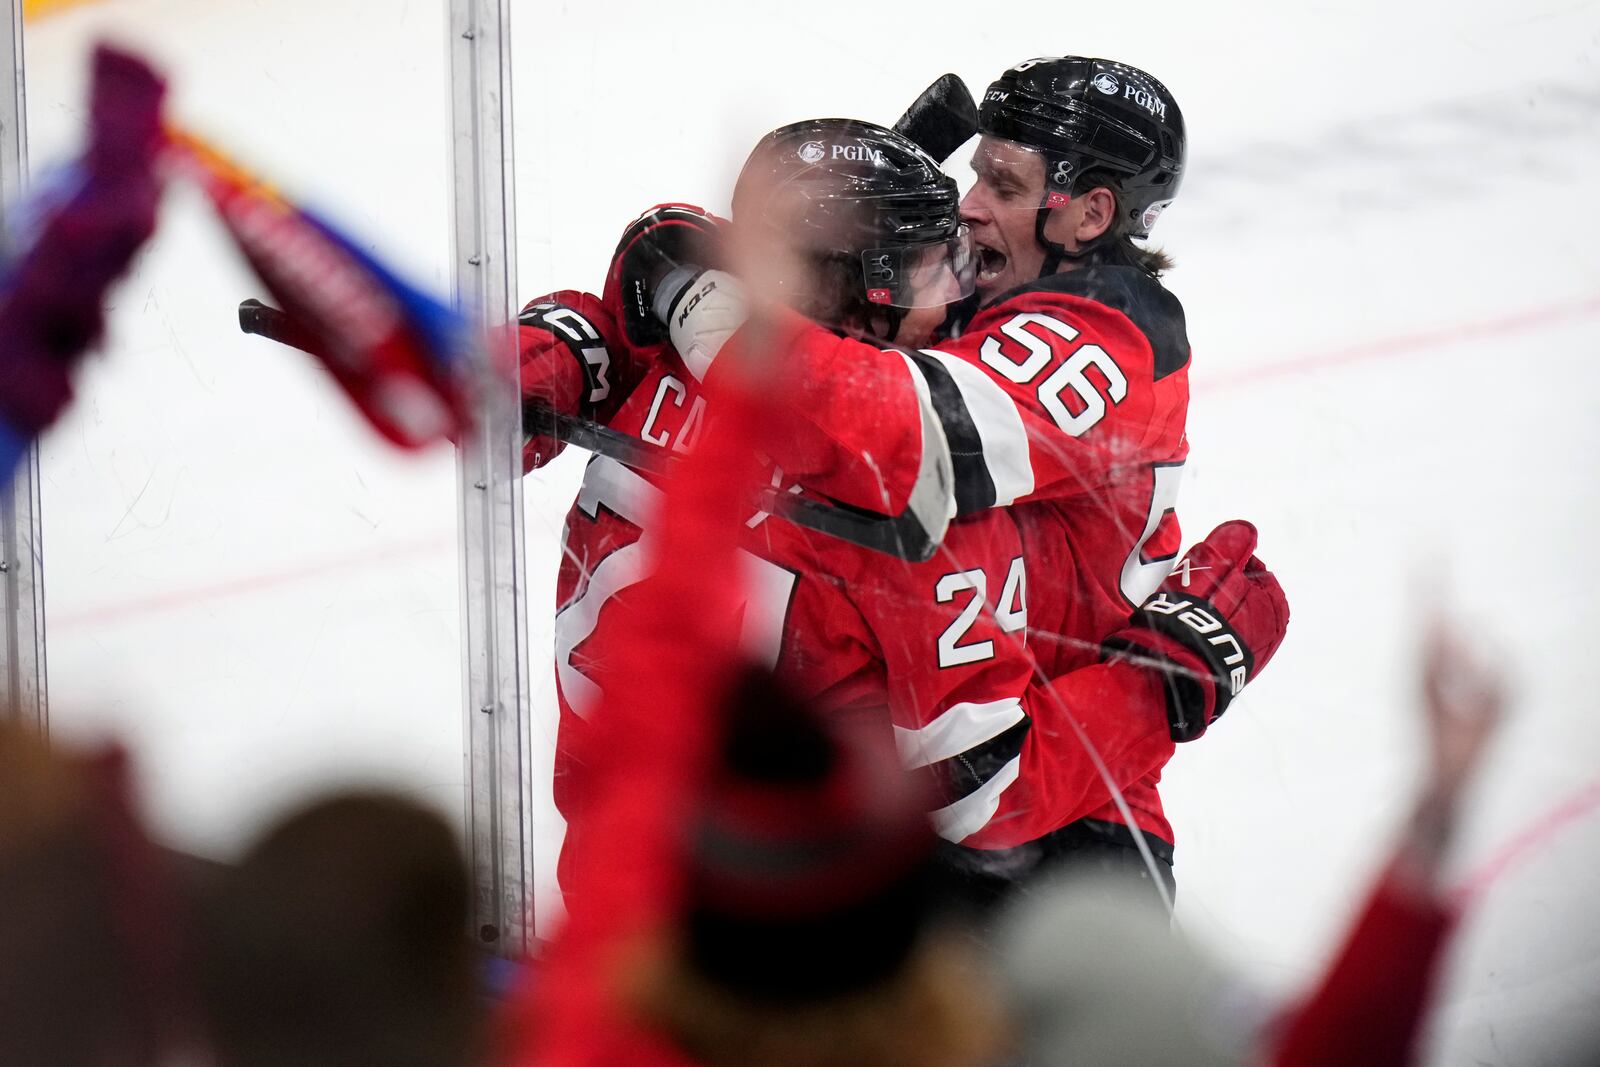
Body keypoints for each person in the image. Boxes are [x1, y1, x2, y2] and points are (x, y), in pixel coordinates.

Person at [522, 105, 1277, 909]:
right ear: (861, 294)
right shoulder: (899, 513)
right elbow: (984, 797)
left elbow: (732, 310)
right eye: (927, 268)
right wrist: (1167, 680)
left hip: (620, 909)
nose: (955, 295)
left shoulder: (660, 371)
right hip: (843, 945)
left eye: (999, 186)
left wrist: (592, 324)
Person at [651, 58, 1203, 896]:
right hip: (919, 779)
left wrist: (693, 287)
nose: (970, 202)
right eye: (974, 168)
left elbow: (895, 431)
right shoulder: (998, 281)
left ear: (1091, 213)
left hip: (1061, 820)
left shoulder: (1114, 332)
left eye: (1004, 185)